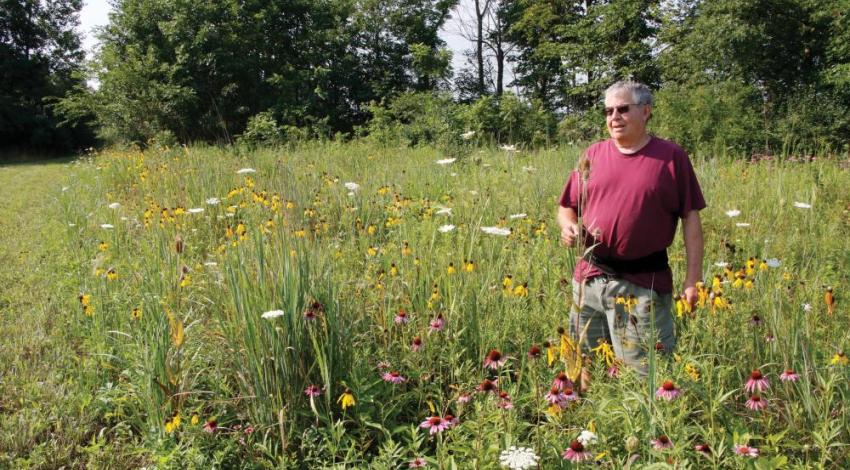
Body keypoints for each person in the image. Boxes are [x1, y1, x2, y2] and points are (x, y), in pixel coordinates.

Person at [557, 81, 705, 376]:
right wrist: (569, 226)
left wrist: (693, 280)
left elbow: (691, 220)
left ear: (646, 111)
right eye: (608, 111)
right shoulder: (593, 155)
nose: (614, 117)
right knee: (584, 369)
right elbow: (566, 207)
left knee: (646, 376)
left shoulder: (671, 158)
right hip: (589, 280)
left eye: (623, 109)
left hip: (642, 284)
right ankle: (586, 421)